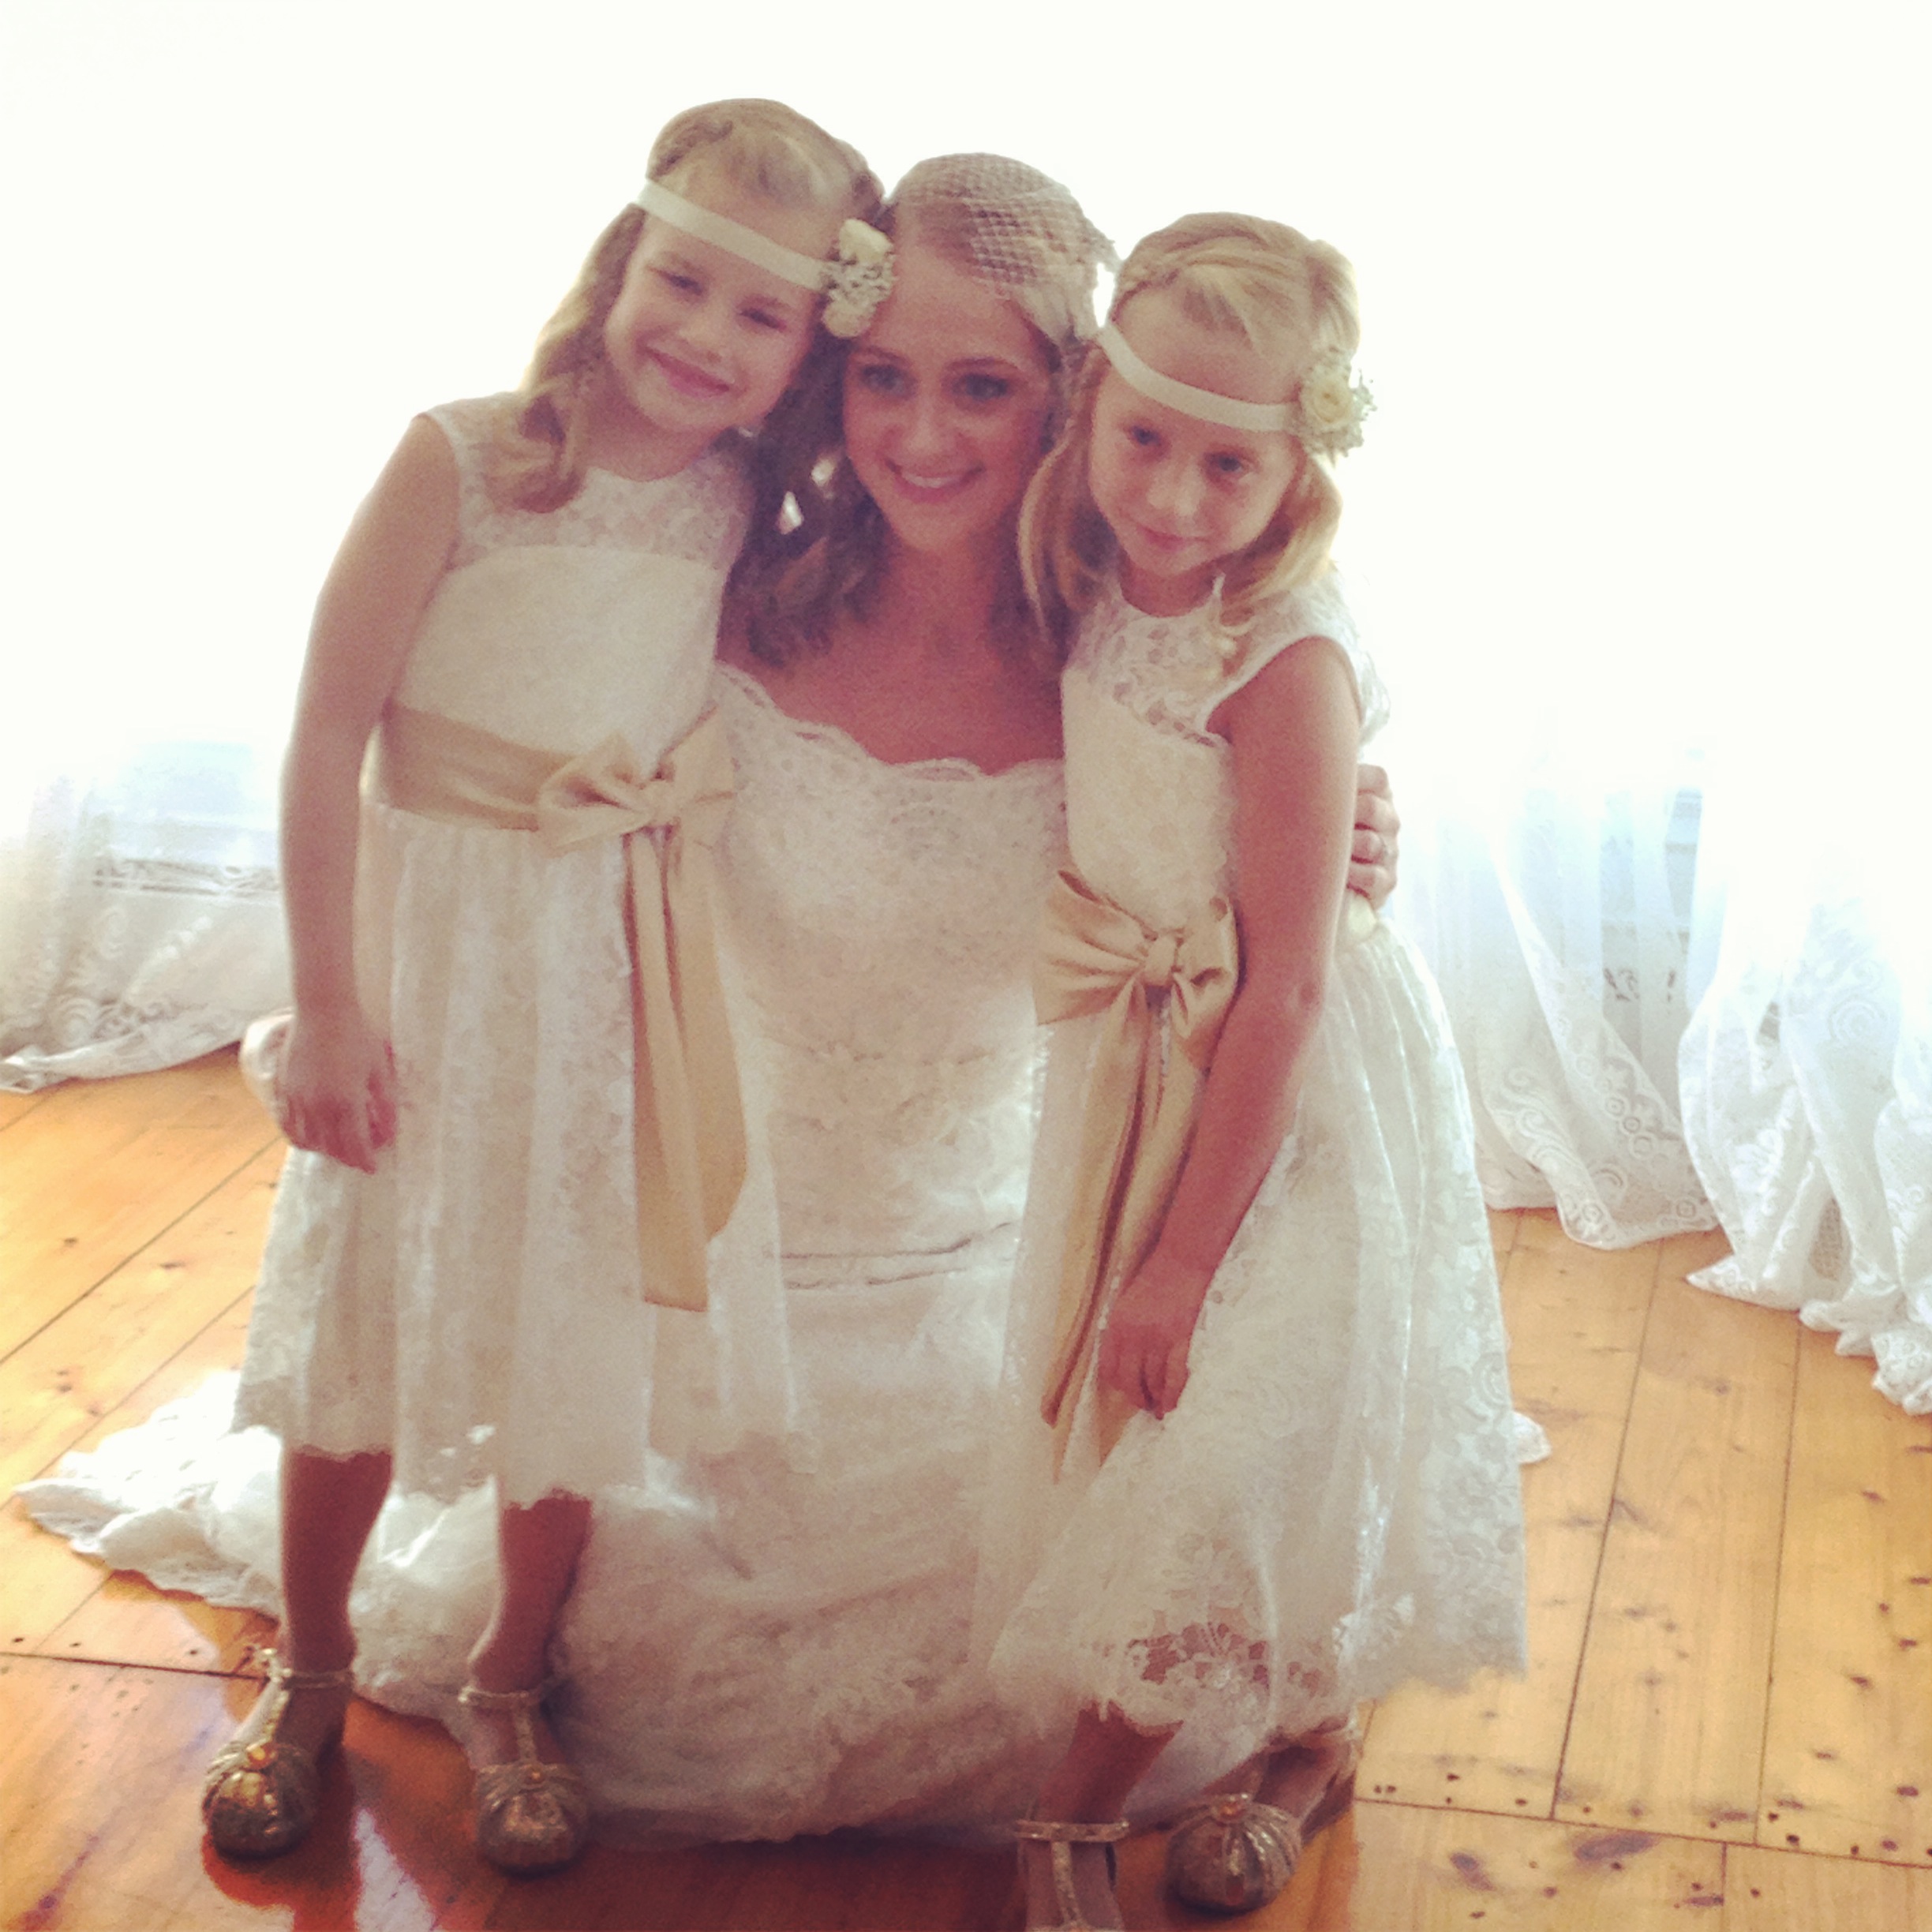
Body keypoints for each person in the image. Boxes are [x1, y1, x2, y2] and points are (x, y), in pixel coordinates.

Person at [21, 156, 1404, 1848]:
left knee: (1062, 1629)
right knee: (619, 1619)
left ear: (1071, 397)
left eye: (983, 387)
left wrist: (1356, 827)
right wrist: (346, 1000)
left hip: (970, 1270)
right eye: (882, 377)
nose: (922, 435)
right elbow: (466, 718)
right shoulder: (728, 579)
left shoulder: (1127, 650)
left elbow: (1255, 834)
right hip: (683, 1244)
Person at [192, 98, 883, 1872]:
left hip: (610, 965)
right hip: (434, 955)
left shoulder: (742, 506)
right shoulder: (467, 458)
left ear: (806, 351)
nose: (705, 334)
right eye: (684, 280)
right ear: (622, 261)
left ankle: (511, 1674)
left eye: (761, 313)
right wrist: (329, 1006)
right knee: (365, 1311)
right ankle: (314, 1668)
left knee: (574, 1310)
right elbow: (327, 731)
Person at [983, 212, 1527, 1930]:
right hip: (1142, 1069)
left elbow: (1286, 983)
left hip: (1289, 1103)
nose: (1175, 495)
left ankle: (1074, 1820)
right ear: (1091, 408)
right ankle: (1309, 1737)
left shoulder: (1282, 652)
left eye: (1231, 462)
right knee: (1174, 1443)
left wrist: (1180, 1261)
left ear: (1303, 466)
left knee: (1223, 1431)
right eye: (1147, 438)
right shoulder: (1088, 581)